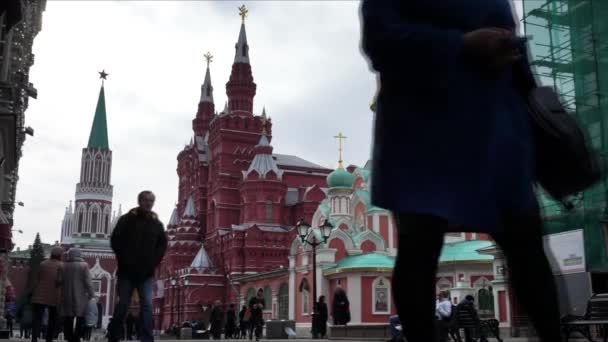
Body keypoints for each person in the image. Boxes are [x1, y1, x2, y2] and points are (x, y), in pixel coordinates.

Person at [360, 1, 562, 342]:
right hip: (424, 130)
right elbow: (381, 40)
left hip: (496, 129)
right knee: (420, 249)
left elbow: (511, 41)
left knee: (526, 248)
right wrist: (462, 45)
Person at [107, 191, 168, 342]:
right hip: (127, 271)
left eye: (151, 201)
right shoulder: (126, 220)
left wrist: (153, 262)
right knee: (123, 304)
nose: (149, 203)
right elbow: (115, 240)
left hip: (146, 273)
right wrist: (124, 259)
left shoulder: (156, 224)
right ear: (140, 201)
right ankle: (114, 335)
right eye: (146, 200)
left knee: (147, 305)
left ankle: (147, 338)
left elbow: (162, 245)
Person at [60, 248, 94, 342]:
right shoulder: (84, 265)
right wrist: (91, 294)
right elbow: (88, 281)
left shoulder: (64, 266)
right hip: (80, 296)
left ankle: (68, 336)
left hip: (66, 295)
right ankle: (77, 336)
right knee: (80, 317)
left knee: (68, 317)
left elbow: (59, 281)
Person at [30, 246, 63, 342]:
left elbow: (37, 278)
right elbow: (59, 280)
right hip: (54, 295)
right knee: (52, 319)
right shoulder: (61, 266)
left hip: (39, 294)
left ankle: (34, 338)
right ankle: (49, 338)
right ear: (60, 255)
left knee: (37, 318)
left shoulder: (43, 264)